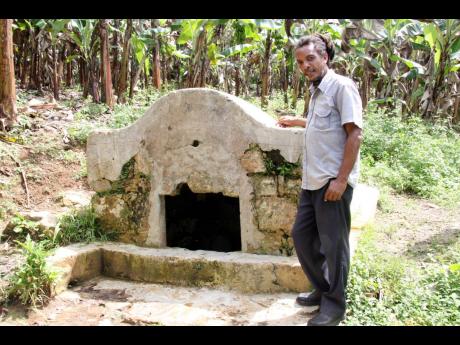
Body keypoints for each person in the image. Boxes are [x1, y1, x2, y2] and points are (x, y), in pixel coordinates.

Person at [277, 33, 363, 326]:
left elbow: (354, 133)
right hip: (311, 181)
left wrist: (341, 180)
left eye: (310, 59)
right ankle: (323, 288)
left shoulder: (341, 87)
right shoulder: (317, 91)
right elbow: (322, 124)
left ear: (325, 57)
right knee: (302, 237)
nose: (305, 66)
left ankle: (334, 306)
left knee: (333, 244)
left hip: (331, 182)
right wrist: (297, 120)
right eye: (301, 62)